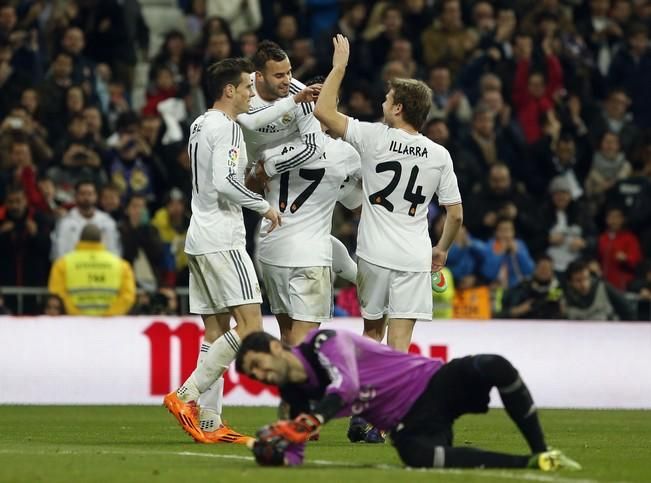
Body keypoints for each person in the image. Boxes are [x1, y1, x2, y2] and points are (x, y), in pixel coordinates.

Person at [234, 329, 581, 471]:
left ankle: (542, 447)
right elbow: (296, 453)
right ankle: (530, 464)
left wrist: (311, 421)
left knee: (494, 365)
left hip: (432, 382)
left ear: (276, 348)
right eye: (253, 375)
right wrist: (272, 453)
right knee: (415, 456)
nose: (260, 376)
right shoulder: (293, 395)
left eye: (257, 366)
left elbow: (348, 386)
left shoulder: (323, 340)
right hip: (407, 422)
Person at [314, 35, 463, 353]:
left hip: (374, 254)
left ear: (397, 108)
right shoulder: (439, 155)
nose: (382, 102)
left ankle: (366, 396)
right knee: (399, 343)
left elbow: (323, 111)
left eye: (387, 98)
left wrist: (339, 67)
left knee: (371, 335)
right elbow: (456, 213)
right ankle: (395, 400)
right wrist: (441, 250)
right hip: (414, 257)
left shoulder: (373, 137)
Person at [162, 57, 281, 445]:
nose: (251, 92)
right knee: (250, 328)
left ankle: (211, 421)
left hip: (198, 236)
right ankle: (185, 396)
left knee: (215, 332)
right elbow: (226, 182)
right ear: (229, 90)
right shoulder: (227, 128)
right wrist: (264, 206)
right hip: (223, 239)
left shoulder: (200, 123)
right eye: (247, 86)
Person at [253, 75, 362, 346]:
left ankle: (288, 389)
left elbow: (250, 187)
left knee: (287, 338)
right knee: (305, 343)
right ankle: (309, 389)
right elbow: (361, 202)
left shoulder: (270, 145)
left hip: (271, 249)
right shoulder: (344, 153)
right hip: (310, 256)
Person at [47, 224, 136, 316]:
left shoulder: (62, 264)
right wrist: (108, 315)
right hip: (109, 326)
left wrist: (77, 314)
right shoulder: (122, 265)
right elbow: (127, 296)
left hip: (75, 324)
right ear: (101, 240)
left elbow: (58, 294)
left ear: (79, 240)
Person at [50, 180, 121, 260]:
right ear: (76, 196)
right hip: (74, 268)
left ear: (96, 197)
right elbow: (59, 254)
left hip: (101, 269)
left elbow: (114, 253)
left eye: (90, 194)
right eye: (82, 194)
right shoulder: (65, 223)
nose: (86, 198)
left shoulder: (107, 222)